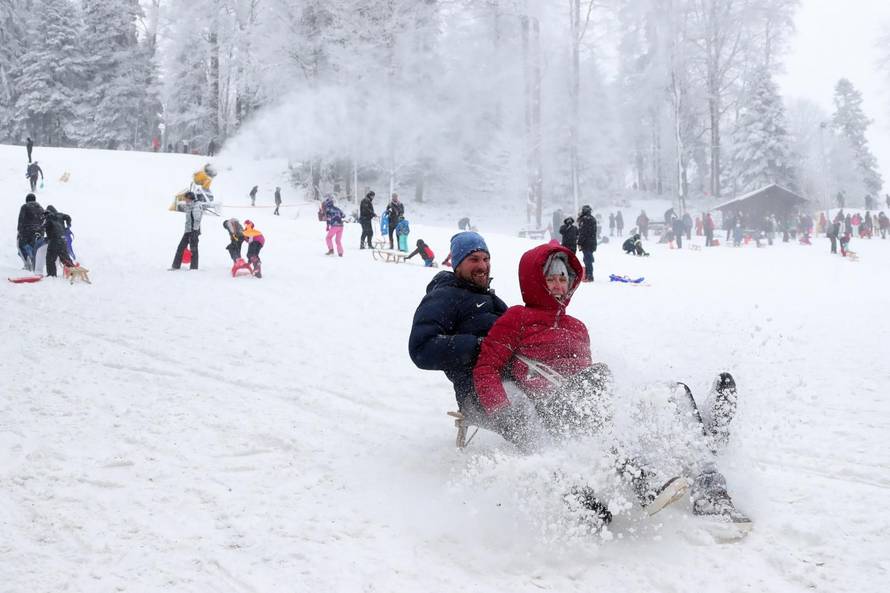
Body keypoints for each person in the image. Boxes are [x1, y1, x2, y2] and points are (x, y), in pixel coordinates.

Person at [471, 243, 746, 524]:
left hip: (591, 403)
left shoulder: (576, 326)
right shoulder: (516, 318)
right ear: (535, 282)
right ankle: (648, 477)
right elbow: (487, 369)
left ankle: (710, 489)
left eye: (562, 278)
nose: (557, 285)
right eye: (549, 278)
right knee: (599, 381)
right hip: (553, 412)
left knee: (672, 393)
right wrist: (504, 411)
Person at [408, 231, 509, 418]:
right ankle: (549, 449)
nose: (482, 265)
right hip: (477, 392)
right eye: (474, 259)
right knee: (523, 409)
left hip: (514, 377)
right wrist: (479, 346)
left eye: (486, 259)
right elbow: (421, 348)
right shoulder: (444, 297)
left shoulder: (490, 298)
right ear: (457, 264)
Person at [170, 192, 205, 270]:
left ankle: (194, 268)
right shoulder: (190, 205)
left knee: (193, 249)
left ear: (189, 199)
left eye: (186, 199)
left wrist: (194, 231)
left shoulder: (196, 206)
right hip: (188, 230)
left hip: (193, 231)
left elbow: (197, 219)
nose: (185, 200)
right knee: (181, 248)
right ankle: (175, 266)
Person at [43, 205, 74, 277]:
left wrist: (40, 232)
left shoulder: (49, 217)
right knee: (64, 258)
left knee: (50, 258)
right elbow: (68, 217)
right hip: (63, 239)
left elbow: (47, 228)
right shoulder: (60, 215)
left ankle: (51, 275)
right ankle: (73, 271)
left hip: (54, 240)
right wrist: (68, 225)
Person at [17, 193, 45, 271]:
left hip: (26, 232)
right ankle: (34, 265)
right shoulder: (41, 208)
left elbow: (21, 220)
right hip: (38, 233)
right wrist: (42, 233)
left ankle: (27, 265)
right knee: (34, 249)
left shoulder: (25, 207)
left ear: (27, 200)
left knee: (20, 246)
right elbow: (43, 222)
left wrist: (19, 231)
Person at [577, 205, 597, 282]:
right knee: (588, 259)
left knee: (587, 259)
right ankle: (589, 275)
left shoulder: (584, 220)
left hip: (586, 243)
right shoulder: (592, 219)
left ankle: (589, 275)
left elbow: (583, 233)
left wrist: (579, 242)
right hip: (592, 242)